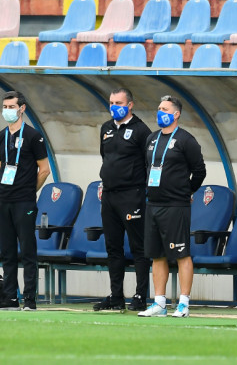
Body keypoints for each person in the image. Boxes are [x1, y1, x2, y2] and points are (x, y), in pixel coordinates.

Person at [138, 96, 206, 318]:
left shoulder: (186, 140)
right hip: (153, 204)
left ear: (176, 114)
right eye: (158, 108)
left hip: (176, 205)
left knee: (181, 253)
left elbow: (199, 170)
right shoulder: (151, 139)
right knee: (156, 255)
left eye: (165, 109)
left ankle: (184, 303)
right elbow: (148, 167)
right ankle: (159, 302)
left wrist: (187, 192)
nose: (160, 112)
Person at [0, 91, 50, 311]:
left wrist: (27, 190)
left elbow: (44, 170)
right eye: (5, 106)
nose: (7, 110)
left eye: (11, 106)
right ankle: (9, 298)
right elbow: (1, 167)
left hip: (24, 201)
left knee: (27, 250)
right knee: (7, 251)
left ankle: (30, 299)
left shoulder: (34, 136)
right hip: (2, 199)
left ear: (22, 108)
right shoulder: (0, 136)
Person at [94, 88, 152, 312]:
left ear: (130, 105)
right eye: (111, 102)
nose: (113, 106)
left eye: (118, 102)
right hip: (109, 195)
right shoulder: (106, 128)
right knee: (113, 248)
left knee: (139, 247)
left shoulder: (140, 130)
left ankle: (140, 296)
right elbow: (105, 157)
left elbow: (148, 162)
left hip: (132, 195)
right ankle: (116, 295)